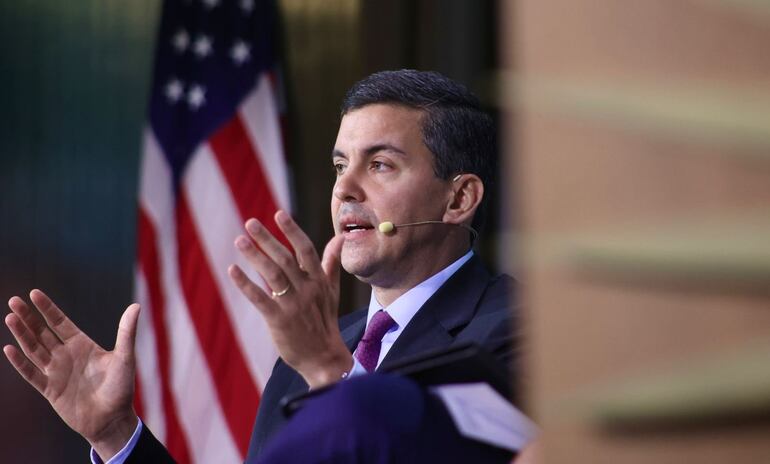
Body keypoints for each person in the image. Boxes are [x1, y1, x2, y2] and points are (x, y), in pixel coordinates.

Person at [3, 69, 518, 463]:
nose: (345, 189)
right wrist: (116, 435)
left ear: (459, 200)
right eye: (341, 165)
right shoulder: (314, 347)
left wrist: (329, 372)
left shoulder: (519, 331)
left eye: (380, 164)